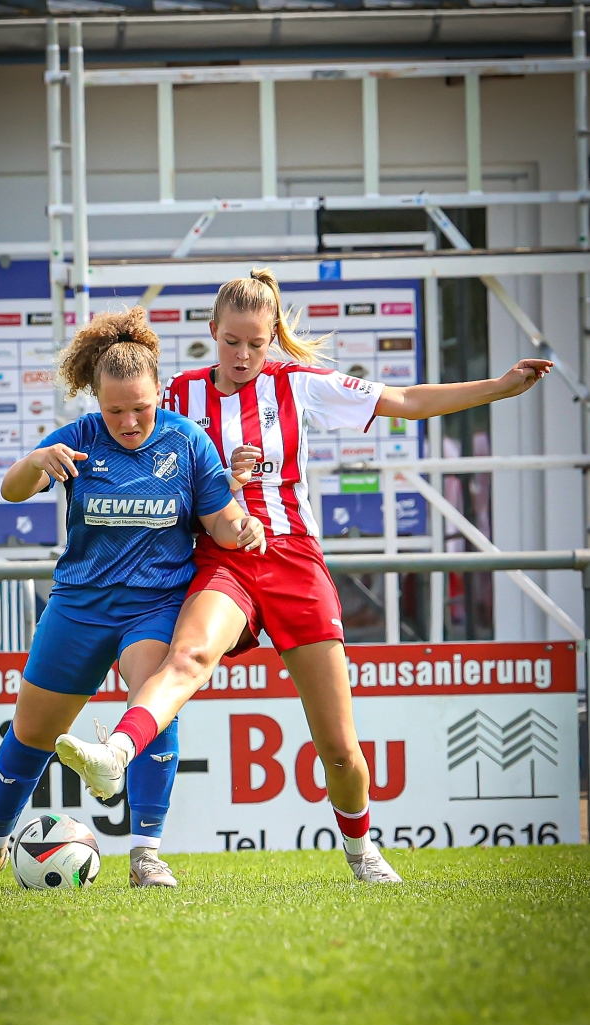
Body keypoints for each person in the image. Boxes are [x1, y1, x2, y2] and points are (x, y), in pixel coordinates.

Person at [56, 267, 552, 884]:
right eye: (231, 340)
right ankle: (116, 753)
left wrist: (499, 388)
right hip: (224, 559)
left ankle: (362, 849)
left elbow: (406, 401)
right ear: (211, 331)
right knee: (186, 657)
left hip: (294, 563)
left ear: (273, 338)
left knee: (339, 747)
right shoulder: (176, 396)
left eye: (256, 342)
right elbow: (131, 450)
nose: (242, 354)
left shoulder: (299, 385)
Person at [0, 307, 265, 891]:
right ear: (96, 400)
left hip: (154, 605)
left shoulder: (186, 441)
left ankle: (146, 855)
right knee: (30, 734)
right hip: (79, 605)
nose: (128, 421)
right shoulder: (79, 439)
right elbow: (12, 491)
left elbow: (221, 520)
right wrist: (36, 462)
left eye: (139, 407)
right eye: (114, 410)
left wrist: (241, 527)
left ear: (159, 392)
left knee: (153, 703)